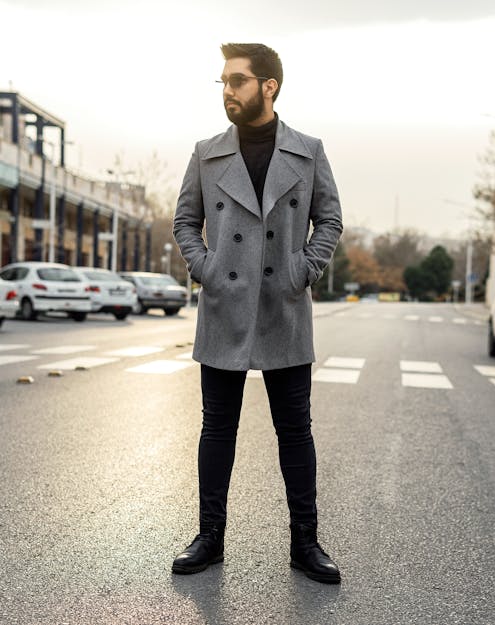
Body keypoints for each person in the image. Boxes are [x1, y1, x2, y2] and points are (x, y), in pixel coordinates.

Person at [172, 43, 343, 584]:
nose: (228, 90)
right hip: (224, 304)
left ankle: (305, 543)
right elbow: (185, 220)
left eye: (238, 80)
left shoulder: (308, 150)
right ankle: (210, 538)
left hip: (283, 305)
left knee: (295, 429)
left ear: (269, 86)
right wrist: (207, 269)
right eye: (223, 81)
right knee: (217, 427)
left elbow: (330, 220)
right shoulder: (207, 152)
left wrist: (303, 270)